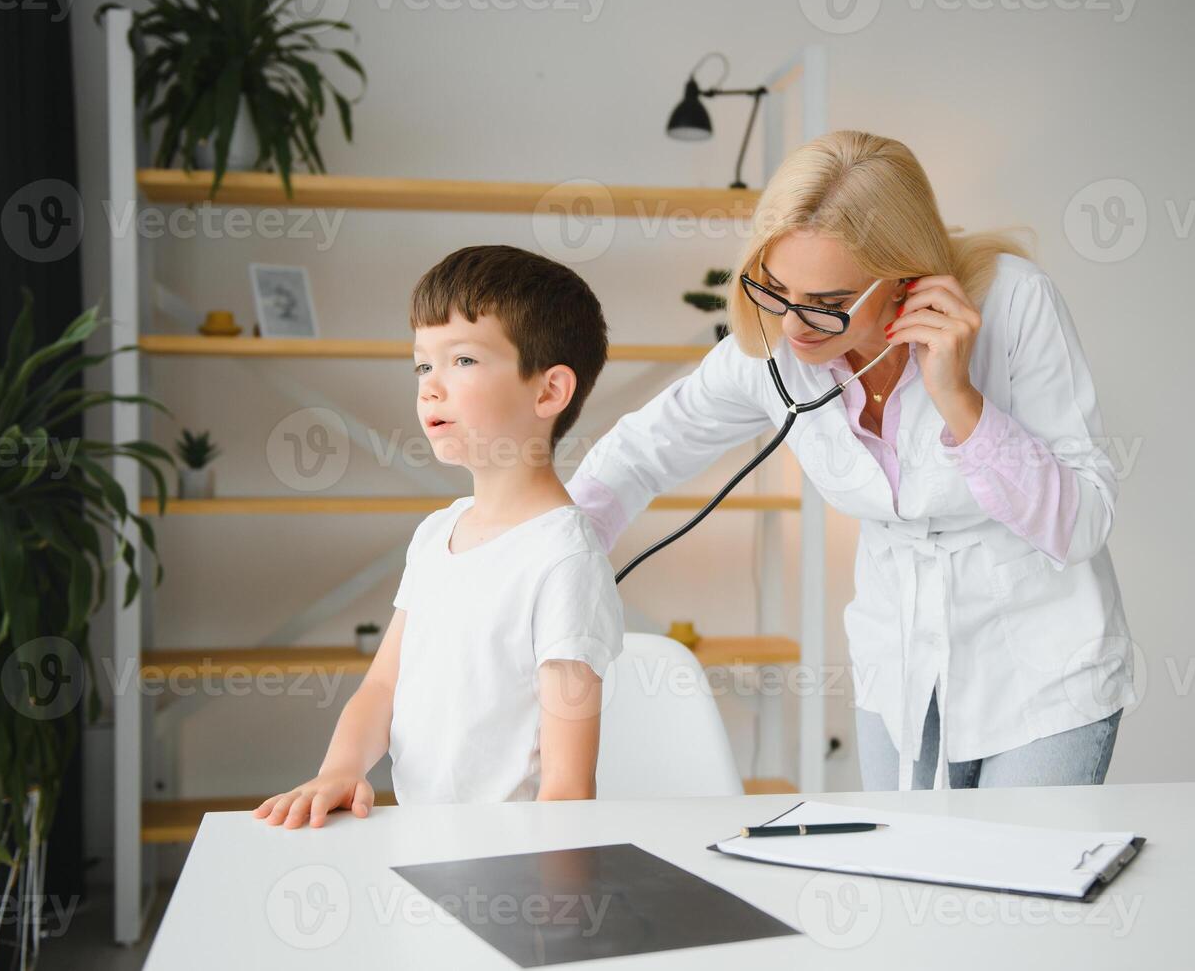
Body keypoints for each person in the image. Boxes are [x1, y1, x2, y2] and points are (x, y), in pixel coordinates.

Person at [564, 130, 1134, 792]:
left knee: (1024, 880)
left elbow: (1082, 522)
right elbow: (637, 456)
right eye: (774, 288)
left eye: (829, 303)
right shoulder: (772, 350)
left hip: (1041, 663)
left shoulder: (1013, 303)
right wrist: (544, 560)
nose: (794, 324)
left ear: (905, 281)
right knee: (907, 877)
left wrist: (959, 399)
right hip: (898, 664)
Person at [256, 245, 624, 828]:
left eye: (463, 361)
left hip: (514, 868)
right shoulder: (436, 534)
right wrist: (340, 769)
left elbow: (568, 788)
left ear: (550, 391)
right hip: (425, 843)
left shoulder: (564, 560)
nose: (431, 388)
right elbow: (382, 686)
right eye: (423, 365)